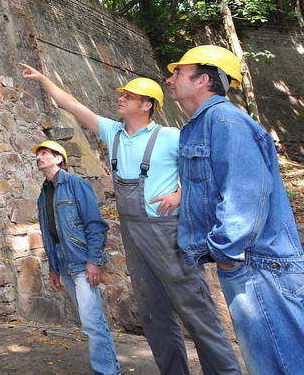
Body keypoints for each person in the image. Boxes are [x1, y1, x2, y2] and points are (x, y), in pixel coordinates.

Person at [21, 63, 239, 374]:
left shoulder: (170, 136)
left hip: (167, 232)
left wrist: (180, 195)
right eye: (122, 94)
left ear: (147, 104)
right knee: (153, 315)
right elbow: (72, 103)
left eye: (129, 95)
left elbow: (208, 174)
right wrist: (43, 78)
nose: (121, 98)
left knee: (196, 311)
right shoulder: (113, 133)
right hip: (133, 235)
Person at [166, 44, 304, 374]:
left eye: (178, 72)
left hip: (259, 267)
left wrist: (225, 255)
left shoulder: (226, 121)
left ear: (202, 80)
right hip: (250, 264)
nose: (169, 79)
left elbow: (245, 194)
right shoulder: (205, 123)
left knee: (280, 365)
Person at [34, 140, 121, 375]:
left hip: (81, 260)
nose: (39, 157)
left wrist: (94, 261)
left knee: (92, 321)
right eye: (38, 154)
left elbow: (95, 224)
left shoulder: (76, 185)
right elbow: (49, 233)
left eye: (45, 153)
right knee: (88, 321)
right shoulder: (43, 194)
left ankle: (107, 372)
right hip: (62, 261)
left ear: (59, 159)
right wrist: (53, 268)